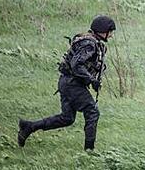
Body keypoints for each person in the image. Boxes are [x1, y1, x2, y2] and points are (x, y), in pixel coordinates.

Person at [17, 15, 116, 151]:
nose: (111, 35)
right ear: (102, 30)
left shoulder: (92, 42)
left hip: (67, 82)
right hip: (72, 84)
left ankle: (29, 127)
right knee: (92, 112)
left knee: (67, 118)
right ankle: (89, 151)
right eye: (110, 32)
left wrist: (92, 80)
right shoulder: (89, 44)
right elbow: (77, 64)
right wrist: (91, 79)